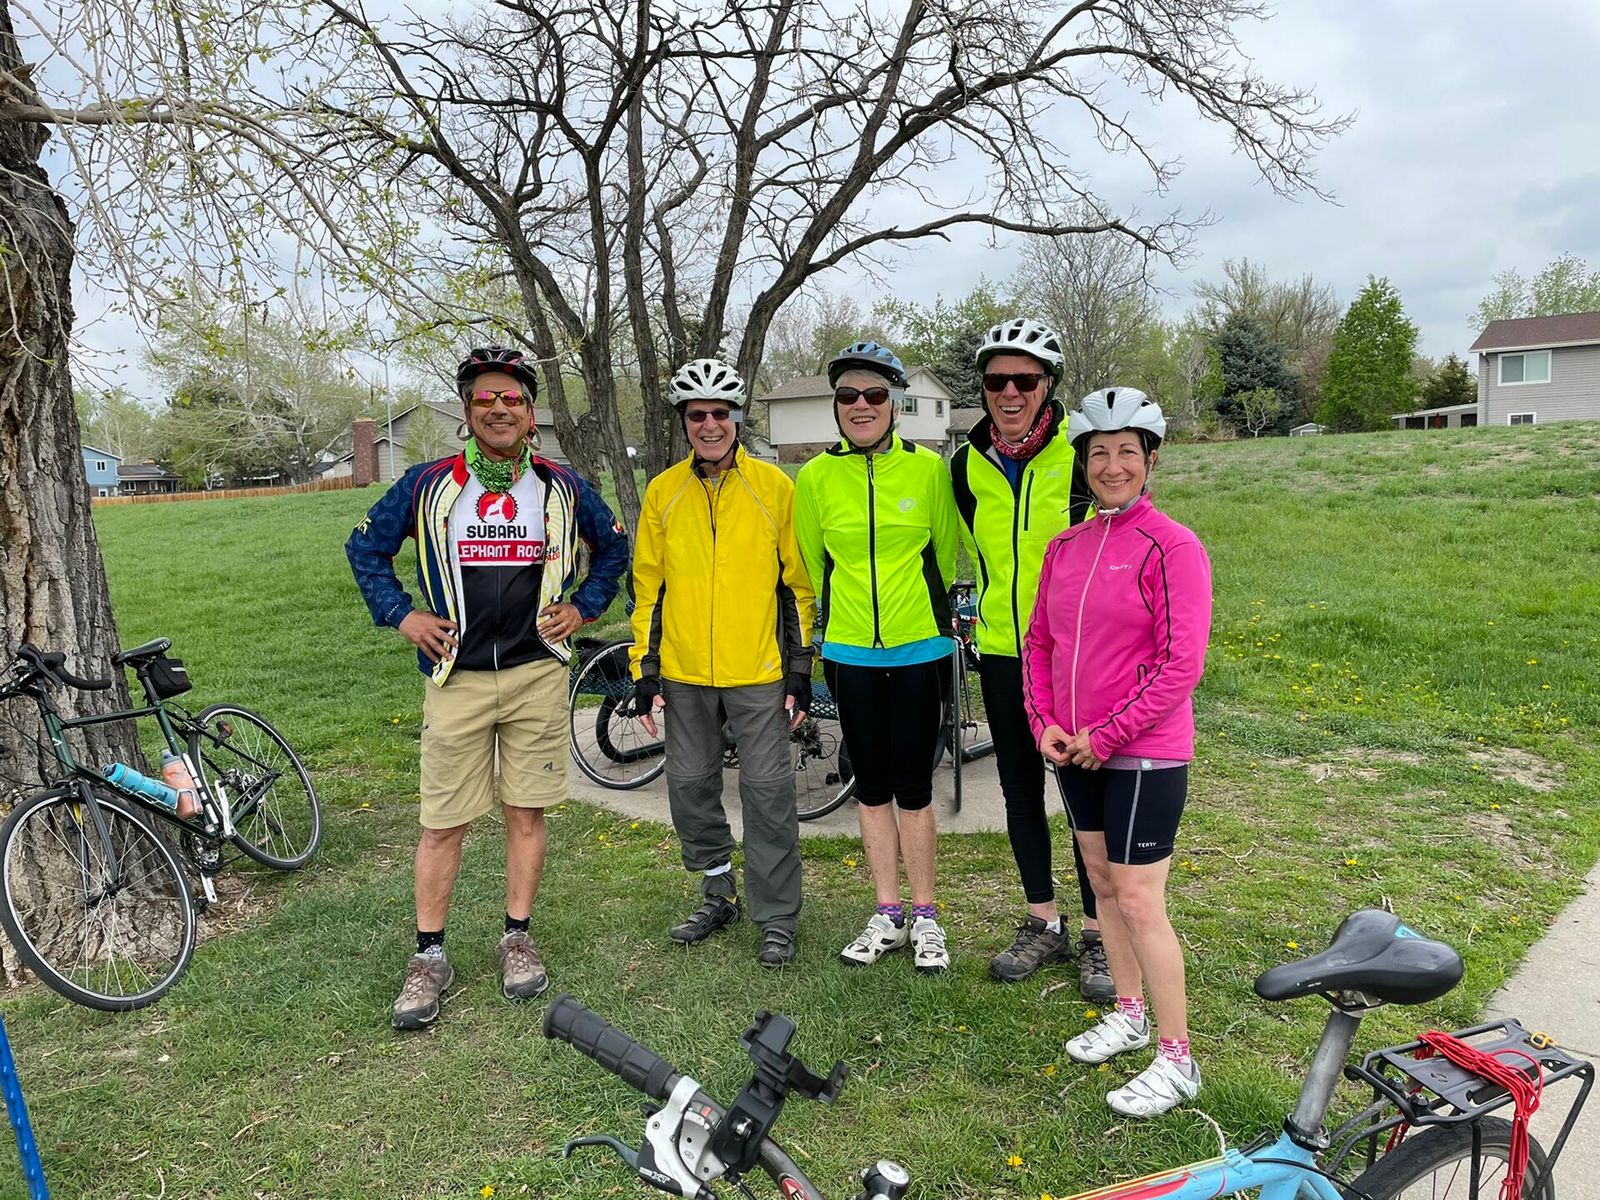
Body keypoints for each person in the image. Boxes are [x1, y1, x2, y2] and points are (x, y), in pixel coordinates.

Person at [347, 345, 629, 1030]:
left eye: (512, 399)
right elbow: (365, 547)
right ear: (467, 411)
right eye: (485, 398)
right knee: (442, 823)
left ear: (530, 414)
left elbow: (614, 548)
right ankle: (429, 956)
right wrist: (402, 614)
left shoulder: (562, 486)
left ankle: (516, 938)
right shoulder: (427, 484)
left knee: (525, 814)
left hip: (536, 674)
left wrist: (585, 606)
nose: (498, 408)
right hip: (458, 678)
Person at [1022, 387, 1212, 1117]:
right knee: (1102, 885)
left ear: (1150, 460)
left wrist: (1106, 736)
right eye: (1098, 453)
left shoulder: (1173, 546)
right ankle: (1129, 1016)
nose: (1112, 465)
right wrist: (1043, 722)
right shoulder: (1064, 548)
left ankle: (1177, 1057)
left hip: (1143, 752)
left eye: (1127, 452)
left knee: (1137, 899)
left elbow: (1180, 664)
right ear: (1083, 463)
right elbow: (1041, 643)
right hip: (1073, 748)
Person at [627, 359, 816, 967]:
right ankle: (717, 892)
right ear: (684, 423)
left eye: (719, 413)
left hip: (758, 671)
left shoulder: (774, 487)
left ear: (737, 418)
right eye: (696, 415)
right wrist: (645, 670)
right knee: (688, 787)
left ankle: (777, 915)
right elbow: (648, 588)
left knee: (767, 794)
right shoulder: (663, 491)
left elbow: (796, 587)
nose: (709, 424)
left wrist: (800, 669)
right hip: (684, 673)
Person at [950, 317, 1111, 999]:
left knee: (1082, 795)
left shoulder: (1080, 454)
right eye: (997, 380)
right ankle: (1043, 921)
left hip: (1074, 659)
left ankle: (1101, 933)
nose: (1009, 392)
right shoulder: (965, 465)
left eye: (1025, 379)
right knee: (1020, 790)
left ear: (1048, 385)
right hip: (1001, 651)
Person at [794, 341, 959, 973]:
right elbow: (813, 564)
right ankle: (887, 912)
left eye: (874, 395)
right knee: (870, 788)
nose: (860, 405)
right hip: (850, 652)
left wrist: (931, 619)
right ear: (835, 406)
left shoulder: (928, 471)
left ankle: (925, 914)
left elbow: (945, 551)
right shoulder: (815, 478)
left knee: (914, 788)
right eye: (848, 396)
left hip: (920, 649)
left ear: (894, 404)